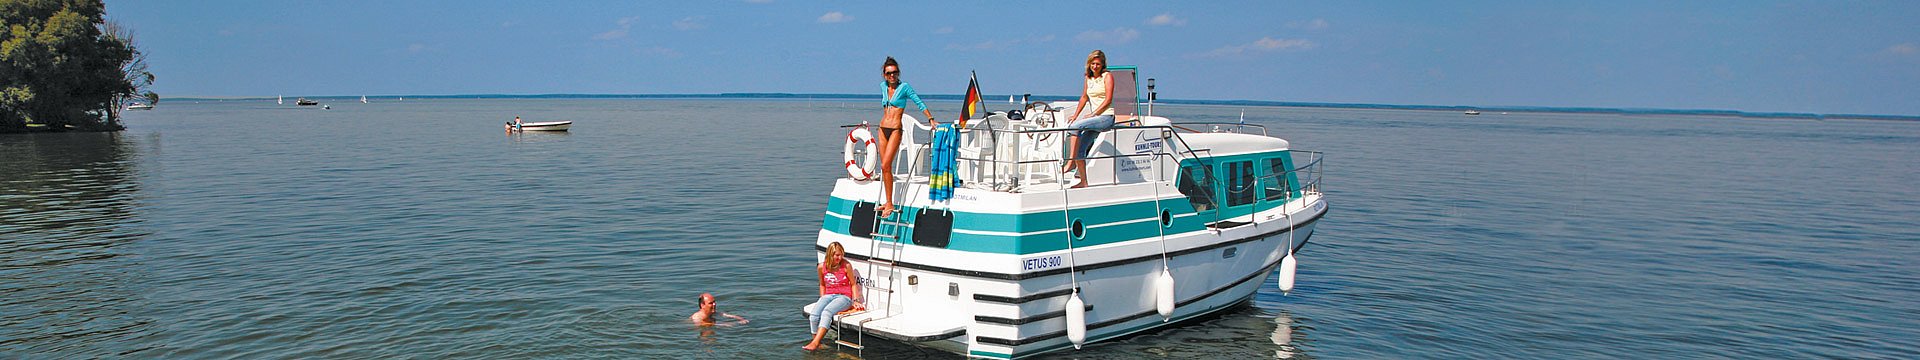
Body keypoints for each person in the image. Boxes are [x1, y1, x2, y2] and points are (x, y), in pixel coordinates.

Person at [874, 57, 936, 217]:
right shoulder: (883, 86)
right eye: (888, 73)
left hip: (895, 129)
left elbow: (919, 102)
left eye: (894, 72)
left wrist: (930, 119)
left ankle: (889, 203)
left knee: (885, 165)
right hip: (882, 129)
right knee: (884, 167)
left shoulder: (904, 87)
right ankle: (886, 200)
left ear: (898, 73)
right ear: (884, 75)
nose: (892, 76)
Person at [1063, 50, 1116, 189]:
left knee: (1074, 127)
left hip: (1106, 117)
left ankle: (1071, 162)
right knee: (1081, 149)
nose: (1095, 66)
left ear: (1102, 64)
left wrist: (1094, 113)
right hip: (1096, 118)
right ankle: (1083, 181)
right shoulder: (1088, 78)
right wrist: (1075, 115)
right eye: (1093, 63)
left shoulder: (1107, 76)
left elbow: (1108, 99)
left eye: (1098, 64)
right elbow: (1084, 97)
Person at [802, 242, 865, 351]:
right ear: (830, 254)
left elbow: (853, 284)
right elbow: (822, 284)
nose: (839, 258)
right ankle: (817, 342)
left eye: (841, 255)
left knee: (827, 312)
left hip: (844, 297)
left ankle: (815, 343)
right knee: (813, 316)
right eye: (836, 255)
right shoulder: (822, 267)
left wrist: (855, 300)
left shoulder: (846, 265)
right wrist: (822, 298)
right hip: (828, 295)